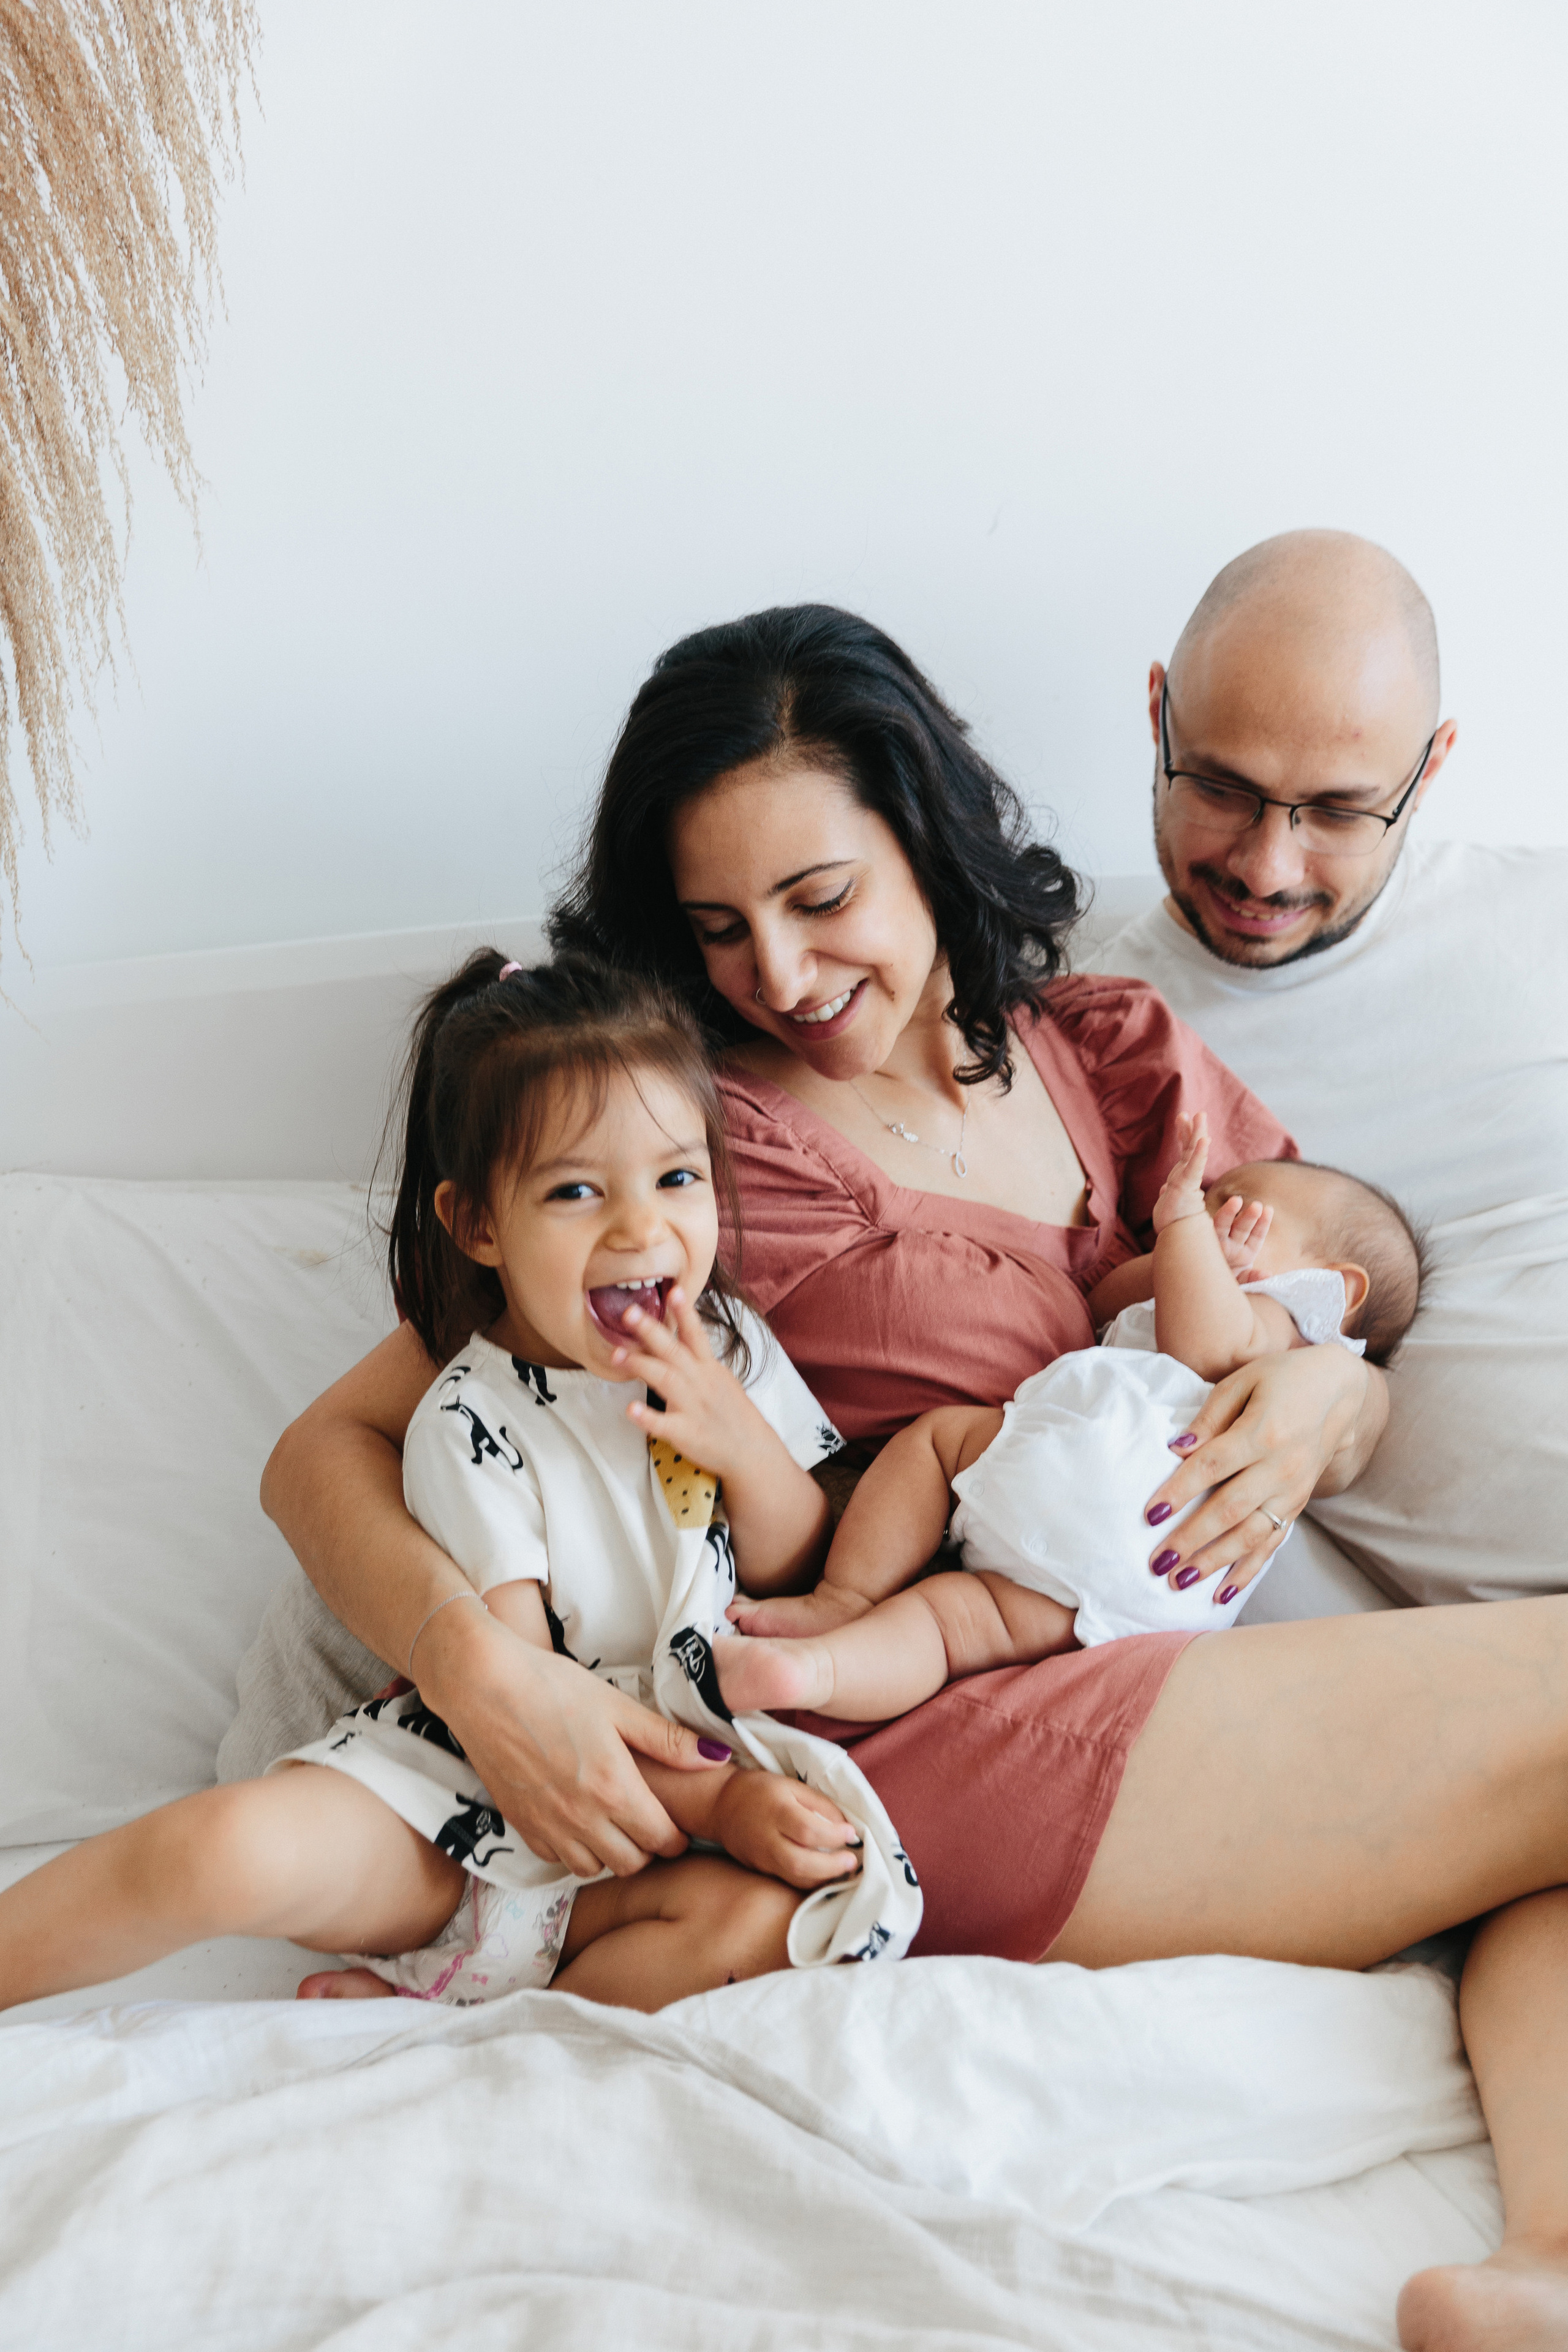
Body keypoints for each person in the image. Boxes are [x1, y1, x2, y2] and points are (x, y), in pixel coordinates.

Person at [249, 605, 1564, 2345]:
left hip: (1156, 1661)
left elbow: (1329, 1287)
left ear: (928, 840)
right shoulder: (683, 1140)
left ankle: (1543, 2269)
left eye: (820, 899)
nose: (778, 976)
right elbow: (320, 1452)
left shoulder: (1108, 1050)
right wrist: (487, 1680)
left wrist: (1335, 1398)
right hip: (908, 1721)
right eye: (718, 928)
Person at [0, 951, 923, 2019]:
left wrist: (742, 1442)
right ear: (480, 1225)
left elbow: (799, 1569)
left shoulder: (730, 1349)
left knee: (772, 1934)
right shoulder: (472, 1419)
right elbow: (533, 1695)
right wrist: (725, 1800)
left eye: (677, 1179)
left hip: (637, 1842)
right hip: (483, 1796)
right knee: (217, 1851)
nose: (641, 1229)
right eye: (576, 1191)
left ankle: (460, 2012)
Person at [1083, 528, 1568, 1607]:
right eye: (1221, 787)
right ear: (1159, 716)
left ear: (1429, 769)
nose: (1267, 867)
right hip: (1391, 1654)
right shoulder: (1084, 1031)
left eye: (1341, 811)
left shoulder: (1545, 922)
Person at [714, 1118, 1425, 1719]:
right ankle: (812, 1676)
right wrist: (1179, 1247)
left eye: (1234, 1206)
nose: (1207, 1208)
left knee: (935, 1444)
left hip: (1114, 1492)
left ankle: (844, 1597)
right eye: (1208, 1200)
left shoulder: (1288, 1326)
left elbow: (1208, 1349)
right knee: (947, 1627)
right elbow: (1105, 1304)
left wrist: (1188, 1226)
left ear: (1335, 1289)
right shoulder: (1201, 1284)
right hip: (1152, 1599)